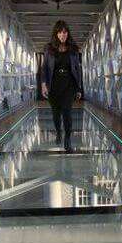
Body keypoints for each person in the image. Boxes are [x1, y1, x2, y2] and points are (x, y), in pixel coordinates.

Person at [40, 20, 83, 152]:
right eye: (60, 32)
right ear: (56, 34)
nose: (62, 35)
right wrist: (43, 85)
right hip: (54, 85)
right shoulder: (49, 49)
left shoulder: (73, 49)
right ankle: (58, 132)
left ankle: (67, 140)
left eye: (65, 32)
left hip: (68, 85)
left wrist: (79, 88)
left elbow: (77, 69)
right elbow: (45, 68)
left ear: (67, 33)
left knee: (67, 113)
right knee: (56, 114)